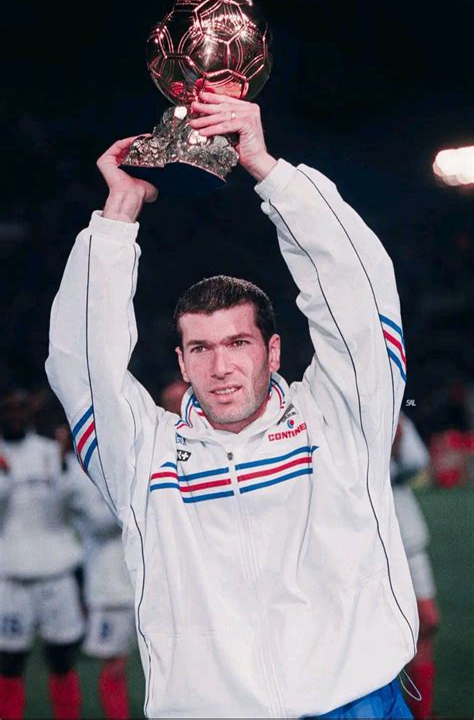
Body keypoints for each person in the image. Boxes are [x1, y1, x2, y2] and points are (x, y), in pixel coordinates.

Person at [46, 88, 418, 719]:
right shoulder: (141, 459)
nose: (220, 367)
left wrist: (269, 173)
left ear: (273, 351)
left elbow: (359, 293)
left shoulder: (340, 419)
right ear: (182, 362)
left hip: (355, 704)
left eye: (238, 343)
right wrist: (117, 217)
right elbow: (81, 366)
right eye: (201, 348)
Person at [0, 389, 84, 720]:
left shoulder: (50, 452)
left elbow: (75, 502)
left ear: (30, 414)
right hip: (10, 575)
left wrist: (65, 464)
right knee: (9, 661)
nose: (14, 415)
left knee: (62, 658)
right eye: (7, 409)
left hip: (56, 572)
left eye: (20, 409)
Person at [391, 412, 441, 719]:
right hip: (371, 541)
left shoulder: (395, 411)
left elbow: (417, 461)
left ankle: (423, 712)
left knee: (427, 622)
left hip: (409, 537)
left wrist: (396, 445)